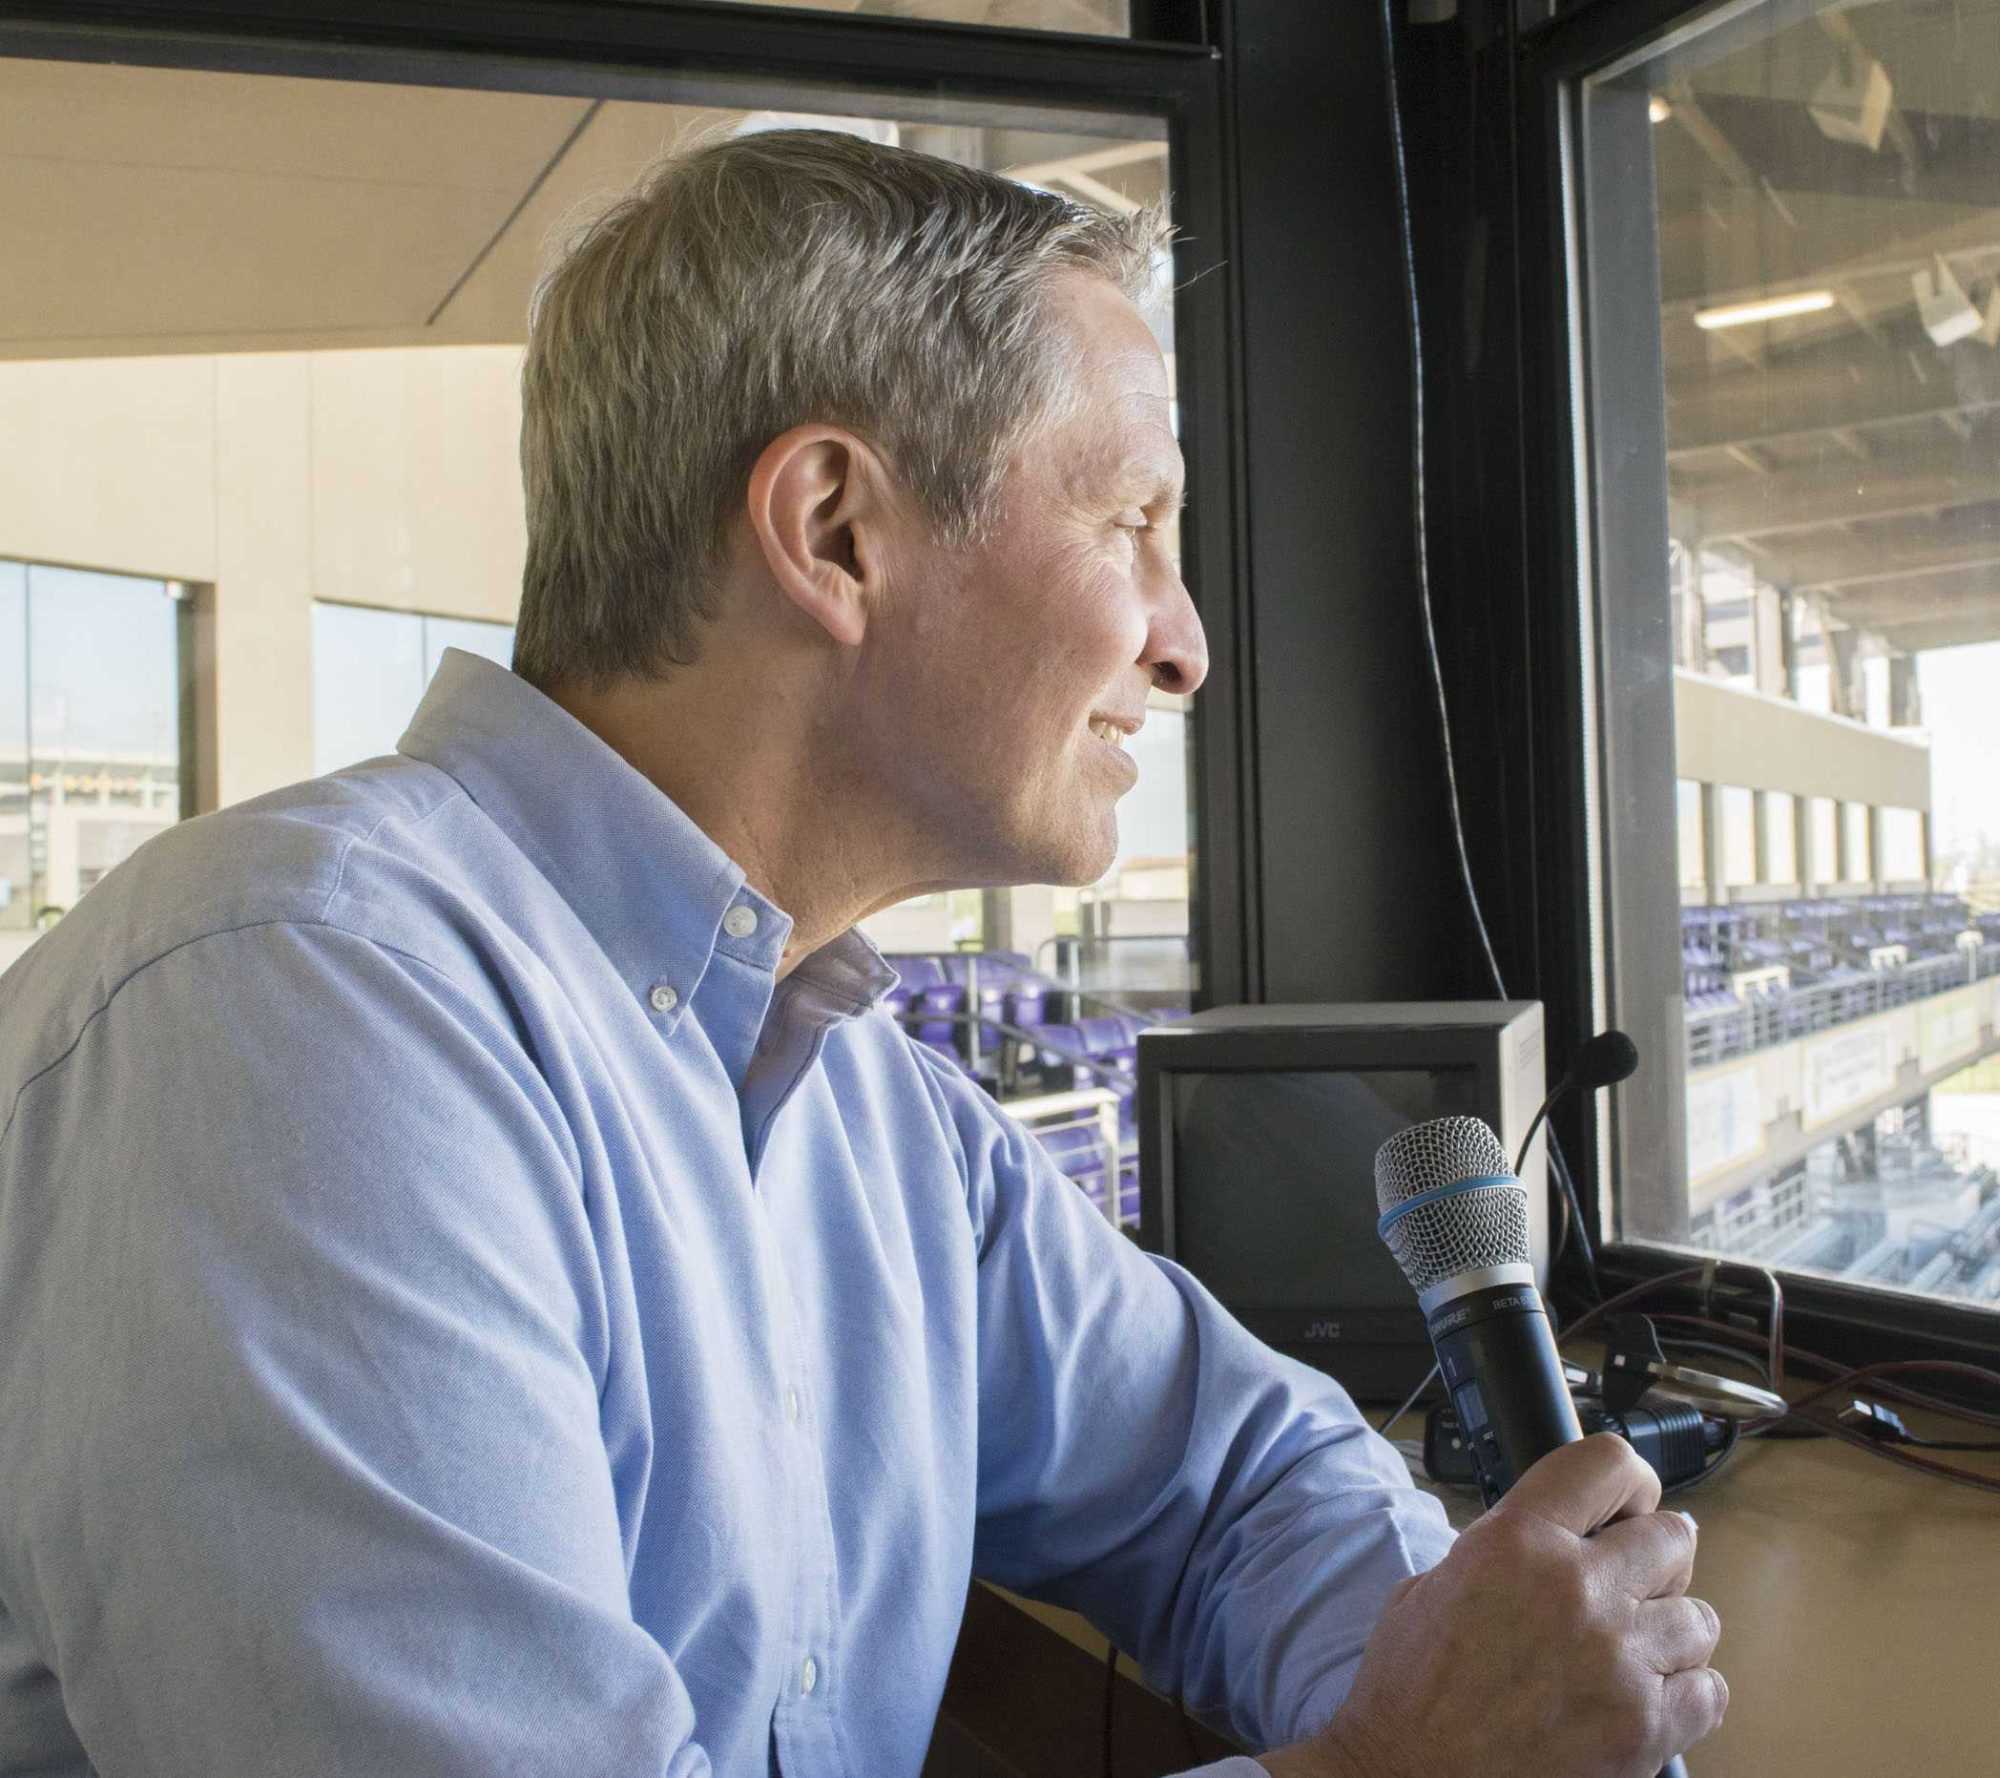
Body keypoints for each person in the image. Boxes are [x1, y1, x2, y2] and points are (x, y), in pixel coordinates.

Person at [0, 129, 1724, 1778]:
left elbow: (1240, 1477)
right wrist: (1383, 1767)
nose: (1186, 642)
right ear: (833, 531)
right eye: (1134, 521)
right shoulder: (298, 1016)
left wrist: (1487, 1674)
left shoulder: (875, 1116)